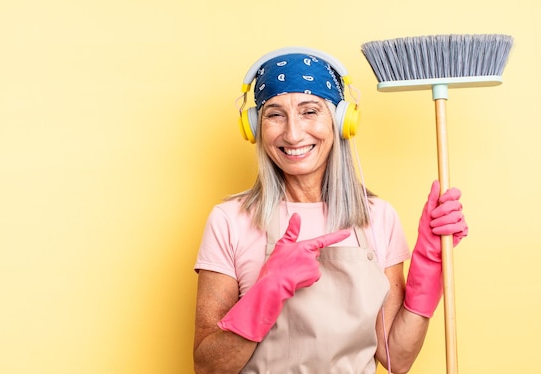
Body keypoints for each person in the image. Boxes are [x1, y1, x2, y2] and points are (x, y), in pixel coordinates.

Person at [193, 46, 468, 374]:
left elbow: (397, 358)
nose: (293, 133)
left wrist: (429, 264)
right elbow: (208, 367)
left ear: (341, 121)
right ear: (254, 126)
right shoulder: (229, 221)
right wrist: (265, 294)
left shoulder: (377, 217)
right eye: (275, 114)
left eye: (309, 111)